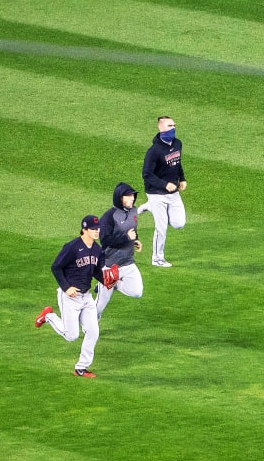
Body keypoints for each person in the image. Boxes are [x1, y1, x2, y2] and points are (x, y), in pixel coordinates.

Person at [34, 215, 116, 378]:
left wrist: (107, 281)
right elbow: (56, 267)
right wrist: (66, 287)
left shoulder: (97, 249)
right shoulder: (72, 247)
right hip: (70, 297)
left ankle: (81, 368)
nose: (97, 231)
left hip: (86, 298)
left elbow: (96, 272)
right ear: (84, 230)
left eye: (98, 228)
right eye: (93, 229)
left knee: (93, 332)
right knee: (71, 336)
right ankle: (48, 316)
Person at [138, 115, 187, 267]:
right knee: (162, 227)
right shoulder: (154, 151)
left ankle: (149, 207)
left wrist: (182, 178)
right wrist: (164, 184)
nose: (173, 128)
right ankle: (157, 258)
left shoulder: (178, 143)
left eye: (174, 125)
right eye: (169, 126)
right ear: (160, 128)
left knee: (179, 223)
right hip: (156, 193)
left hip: (173, 193)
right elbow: (146, 174)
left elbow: (177, 163)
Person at [96, 182, 144, 319]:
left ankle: (115, 283)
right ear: (119, 198)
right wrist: (126, 238)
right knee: (99, 307)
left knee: (137, 292)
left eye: (132, 196)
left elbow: (132, 229)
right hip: (109, 267)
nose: (132, 199)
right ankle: (89, 329)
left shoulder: (134, 211)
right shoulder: (108, 217)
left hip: (128, 262)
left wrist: (135, 240)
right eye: (128, 196)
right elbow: (104, 241)